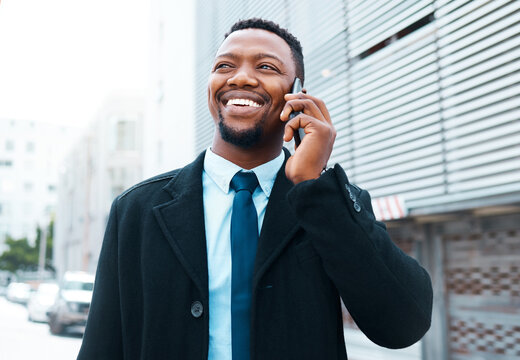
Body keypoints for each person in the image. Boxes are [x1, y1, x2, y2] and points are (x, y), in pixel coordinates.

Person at [77, 18, 433, 360]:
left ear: (297, 96)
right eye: (224, 66)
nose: (241, 77)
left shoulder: (329, 203)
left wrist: (314, 183)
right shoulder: (136, 210)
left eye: (265, 67)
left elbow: (402, 325)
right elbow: (102, 346)